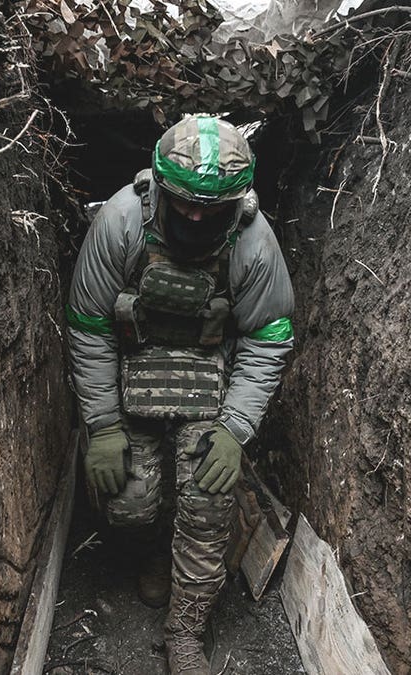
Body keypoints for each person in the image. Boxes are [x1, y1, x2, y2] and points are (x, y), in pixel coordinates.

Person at [65, 116, 294, 674]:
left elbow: (270, 337)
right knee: (128, 501)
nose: (194, 215)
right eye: (184, 202)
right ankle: (151, 550)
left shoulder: (253, 242)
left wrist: (235, 428)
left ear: (234, 201)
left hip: (208, 378)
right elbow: (88, 324)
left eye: (209, 207)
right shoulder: (122, 221)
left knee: (209, 499)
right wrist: (103, 425)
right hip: (132, 373)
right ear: (161, 187)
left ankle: (185, 629)